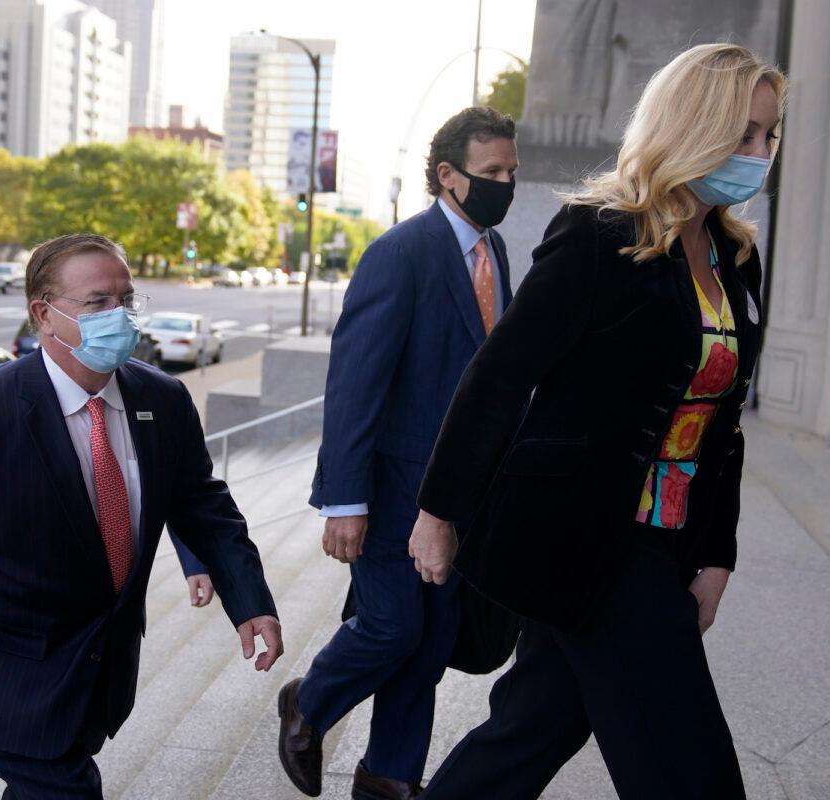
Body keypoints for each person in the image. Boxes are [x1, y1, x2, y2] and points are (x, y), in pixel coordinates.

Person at [407, 44, 785, 799]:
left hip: (666, 540)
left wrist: (717, 554)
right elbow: (500, 376)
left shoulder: (734, 256)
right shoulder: (600, 232)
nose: (758, 153)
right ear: (691, 127)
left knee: (531, 729)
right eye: (742, 133)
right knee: (690, 768)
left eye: (768, 136)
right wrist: (438, 512)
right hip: (589, 535)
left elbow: (723, 424)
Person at [0, 233, 283, 798]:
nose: (119, 315)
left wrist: (251, 603)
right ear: (44, 315)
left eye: (127, 299)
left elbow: (205, 509)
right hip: (7, 688)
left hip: (100, 680)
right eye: (98, 302)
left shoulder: (164, 400)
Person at [277, 107, 518, 800]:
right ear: (448, 175)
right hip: (388, 495)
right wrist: (344, 502)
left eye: (511, 171)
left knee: (431, 644)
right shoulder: (400, 252)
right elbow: (354, 384)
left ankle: (390, 779)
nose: (505, 183)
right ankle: (309, 702)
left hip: (457, 494)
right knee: (392, 627)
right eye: (492, 172)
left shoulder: (493, 252)